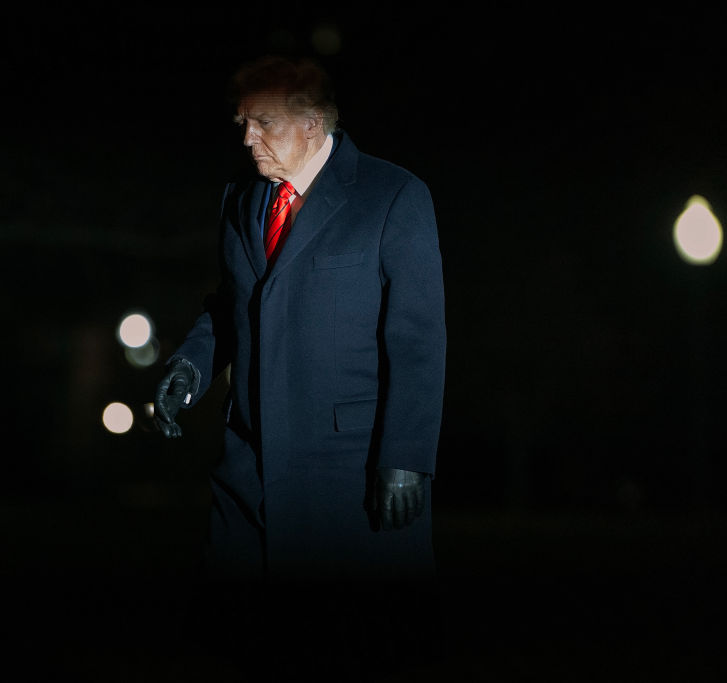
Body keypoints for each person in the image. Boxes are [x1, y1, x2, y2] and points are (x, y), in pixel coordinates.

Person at [153, 55, 446, 676]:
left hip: (348, 475)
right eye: (241, 121)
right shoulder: (240, 197)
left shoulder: (393, 196)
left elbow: (417, 340)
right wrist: (192, 367)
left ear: (313, 121)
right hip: (247, 472)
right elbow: (233, 306)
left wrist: (406, 457)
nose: (246, 137)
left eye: (262, 121)